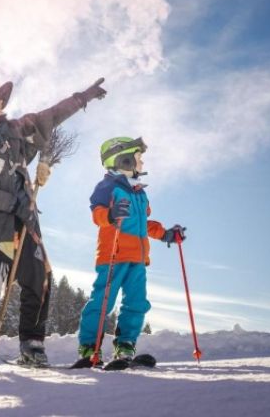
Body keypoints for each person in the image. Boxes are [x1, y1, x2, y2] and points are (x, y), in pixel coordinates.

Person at [0, 76, 107, 367]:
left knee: (40, 278)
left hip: (23, 224)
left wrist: (81, 98)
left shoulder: (15, 130)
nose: (2, 100)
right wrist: (15, 203)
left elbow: (50, 116)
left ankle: (31, 344)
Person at [76, 137, 187, 365]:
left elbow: (143, 224)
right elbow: (97, 215)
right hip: (113, 256)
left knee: (137, 303)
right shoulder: (107, 187)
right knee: (103, 301)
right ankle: (89, 348)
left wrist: (166, 234)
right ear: (124, 160)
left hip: (138, 259)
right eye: (138, 158)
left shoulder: (139, 192)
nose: (142, 163)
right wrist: (110, 213)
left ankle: (125, 346)